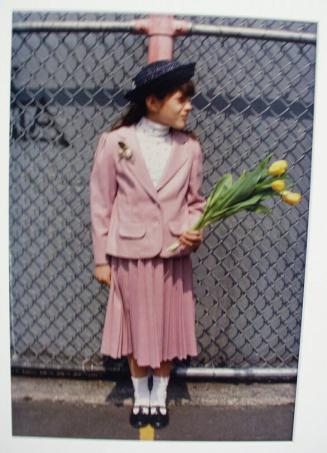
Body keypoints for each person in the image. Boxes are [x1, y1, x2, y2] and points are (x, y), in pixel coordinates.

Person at [90, 59, 206, 429]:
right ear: (152, 102)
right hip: (130, 254)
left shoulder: (190, 148)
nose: (188, 107)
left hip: (173, 254)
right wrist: (101, 260)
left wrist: (194, 229)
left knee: (168, 326)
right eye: (180, 99)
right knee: (139, 326)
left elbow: (196, 202)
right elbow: (101, 203)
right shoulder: (115, 143)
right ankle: (141, 396)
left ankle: (160, 396)